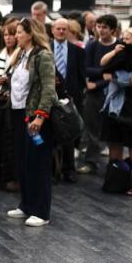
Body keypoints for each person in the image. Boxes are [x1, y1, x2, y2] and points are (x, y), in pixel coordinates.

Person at [4, 19, 57, 226]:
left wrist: (40, 115)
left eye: (19, 32)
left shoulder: (43, 56)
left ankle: (41, 211)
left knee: (38, 163)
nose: (16, 36)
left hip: (34, 117)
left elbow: (48, 89)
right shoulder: (21, 55)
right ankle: (26, 204)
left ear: (30, 34)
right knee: (23, 162)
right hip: (18, 115)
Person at [100, 27, 132, 196]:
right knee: (114, 143)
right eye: (123, 38)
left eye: (128, 39)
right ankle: (116, 179)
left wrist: (115, 77)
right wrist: (114, 53)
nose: (124, 42)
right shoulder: (118, 55)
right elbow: (103, 65)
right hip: (114, 107)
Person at [78, 14, 119, 174]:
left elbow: (117, 74)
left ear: (112, 30)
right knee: (91, 128)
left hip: (113, 93)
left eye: (104, 27)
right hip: (95, 93)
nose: (100, 30)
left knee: (113, 129)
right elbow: (85, 68)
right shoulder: (93, 45)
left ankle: (115, 165)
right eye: (98, 26)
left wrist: (98, 81)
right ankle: (91, 161)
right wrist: (104, 73)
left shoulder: (118, 46)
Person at [50, 18, 86, 183]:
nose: (61, 32)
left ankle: (69, 169)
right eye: (58, 29)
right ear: (52, 30)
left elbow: (81, 75)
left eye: (64, 29)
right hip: (50, 96)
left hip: (70, 97)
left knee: (69, 135)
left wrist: (77, 96)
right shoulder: (45, 50)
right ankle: (51, 169)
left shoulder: (77, 51)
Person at [0, 18, 19, 191]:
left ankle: (11, 177)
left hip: (12, 103)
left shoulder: (19, 55)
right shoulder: (2, 54)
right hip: (0, 101)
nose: (8, 38)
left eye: (12, 35)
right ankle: (0, 175)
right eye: (6, 34)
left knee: (9, 141)